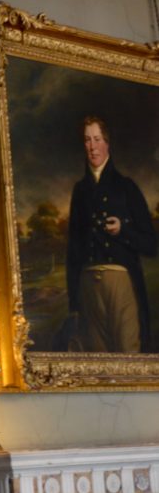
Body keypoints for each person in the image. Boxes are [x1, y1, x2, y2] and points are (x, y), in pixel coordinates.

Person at [66, 116, 157, 353]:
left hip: (121, 282)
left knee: (129, 353)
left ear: (107, 143)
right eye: (87, 140)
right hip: (87, 287)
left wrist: (123, 231)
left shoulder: (127, 187)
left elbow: (150, 244)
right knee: (97, 359)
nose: (92, 146)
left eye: (97, 139)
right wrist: (73, 304)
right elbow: (73, 251)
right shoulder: (80, 190)